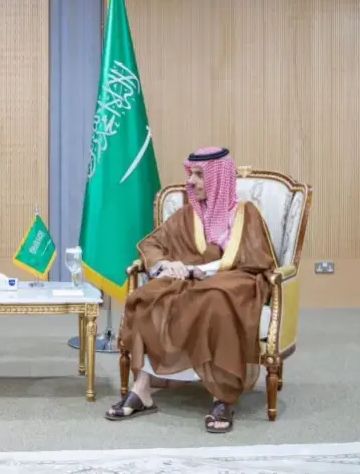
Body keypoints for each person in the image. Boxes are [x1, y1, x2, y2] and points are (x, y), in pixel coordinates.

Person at [104, 147, 277, 433]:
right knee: (147, 297)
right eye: (190, 174)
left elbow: (257, 259)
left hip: (236, 282)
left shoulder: (246, 213)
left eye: (199, 175)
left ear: (218, 178)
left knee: (215, 298)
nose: (191, 182)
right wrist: (166, 265)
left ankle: (222, 397)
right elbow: (152, 244)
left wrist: (201, 270)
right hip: (189, 280)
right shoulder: (188, 215)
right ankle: (142, 390)